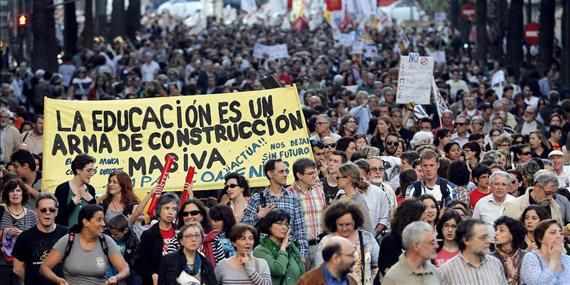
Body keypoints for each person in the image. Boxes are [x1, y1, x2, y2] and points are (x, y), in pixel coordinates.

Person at [40, 204, 130, 284]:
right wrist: (57, 280)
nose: (103, 224)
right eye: (99, 220)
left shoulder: (106, 241)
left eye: (103, 220)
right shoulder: (68, 240)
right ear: (86, 222)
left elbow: (125, 269)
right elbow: (44, 267)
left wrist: (116, 277)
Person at [241, 159, 308, 258]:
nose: (285, 174)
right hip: (265, 253)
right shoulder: (257, 198)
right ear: (270, 174)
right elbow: (243, 227)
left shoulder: (293, 198)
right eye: (281, 171)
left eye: (286, 171)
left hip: (289, 252)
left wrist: (302, 255)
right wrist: (258, 216)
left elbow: (300, 230)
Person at [314, 200, 379, 285]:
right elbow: (320, 273)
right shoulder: (326, 243)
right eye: (340, 225)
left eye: (348, 224)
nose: (344, 228)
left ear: (355, 222)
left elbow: (378, 264)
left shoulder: (367, 238)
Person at [11, 193, 67, 285]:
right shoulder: (25, 237)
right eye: (43, 210)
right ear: (36, 211)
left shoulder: (66, 234)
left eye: (51, 210)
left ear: (56, 212)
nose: (47, 212)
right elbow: (17, 268)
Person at [437, 219, 508, 284]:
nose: (488, 241)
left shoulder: (495, 264)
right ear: (466, 240)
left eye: (488, 237)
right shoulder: (446, 271)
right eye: (483, 238)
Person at [287, 158, 326, 269]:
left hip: (320, 245)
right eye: (310, 173)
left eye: (315, 172)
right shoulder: (289, 194)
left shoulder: (319, 189)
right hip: (299, 248)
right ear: (299, 175)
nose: (314, 176)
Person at [135, 193, 180, 285]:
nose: (170, 212)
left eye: (174, 209)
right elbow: (140, 262)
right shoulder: (149, 235)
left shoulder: (180, 233)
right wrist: (152, 275)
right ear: (159, 210)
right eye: (166, 208)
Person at [0, 178, 38, 285]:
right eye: (11, 191)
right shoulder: (1, 211)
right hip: (2, 264)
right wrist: (5, 232)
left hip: (24, 263)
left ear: (23, 194)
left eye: (18, 190)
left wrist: (23, 235)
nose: (15, 194)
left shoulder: (31, 214)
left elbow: (38, 238)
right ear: (7, 194)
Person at [253, 210, 304, 285]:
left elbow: (301, 272)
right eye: (279, 223)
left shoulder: (292, 246)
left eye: (286, 224)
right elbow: (278, 270)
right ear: (269, 226)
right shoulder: (260, 250)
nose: (284, 227)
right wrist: (283, 249)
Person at [378, 199, 425, 274]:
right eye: (422, 220)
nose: (425, 224)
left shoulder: (424, 241)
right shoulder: (390, 241)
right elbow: (386, 270)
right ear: (411, 220)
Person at [520, 219, 570, 284]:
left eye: (561, 233)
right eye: (553, 233)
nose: (559, 236)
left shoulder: (567, 259)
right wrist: (554, 260)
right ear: (540, 238)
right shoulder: (531, 257)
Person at [54, 153, 97, 227]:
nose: (91, 174)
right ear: (78, 170)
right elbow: (59, 218)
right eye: (89, 170)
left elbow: (96, 216)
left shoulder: (90, 189)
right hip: (67, 235)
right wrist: (73, 203)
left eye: (93, 171)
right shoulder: (62, 189)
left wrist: (92, 201)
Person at [472, 171, 516, 238]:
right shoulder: (481, 204)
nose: (500, 187)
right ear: (491, 186)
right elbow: (474, 228)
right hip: (487, 246)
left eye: (503, 184)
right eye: (496, 184)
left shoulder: (515, 203)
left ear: (508, 187)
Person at [334, 162, 374, 232]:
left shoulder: (358, 201)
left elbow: (367, 228)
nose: (336, 180)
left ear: (348, 179)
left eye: (338, 178)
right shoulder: (338, 197)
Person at [492, 216, 527, 285]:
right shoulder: (490, 258)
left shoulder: (526, 256)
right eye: (496, 230)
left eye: (501, 230)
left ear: (512, 235)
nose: (496, 233)